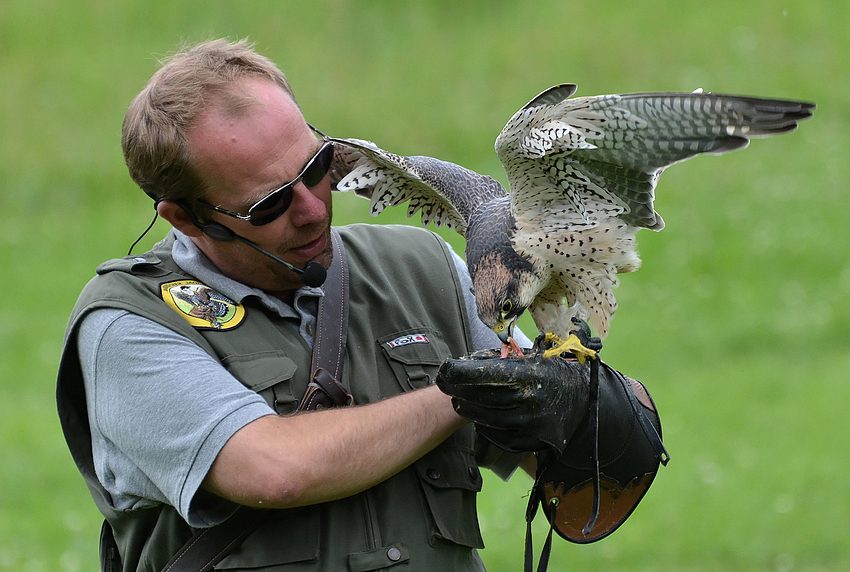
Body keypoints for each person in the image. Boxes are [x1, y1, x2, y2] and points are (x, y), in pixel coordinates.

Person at [57, 39, 663, 572]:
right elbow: (272, 468)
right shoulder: (129, 325)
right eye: (268, 205)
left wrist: (583, 407)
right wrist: (461, 395)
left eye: (320, 167)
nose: (316, 208)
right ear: (186, 218)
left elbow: (571, 468)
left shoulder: (420, 269)